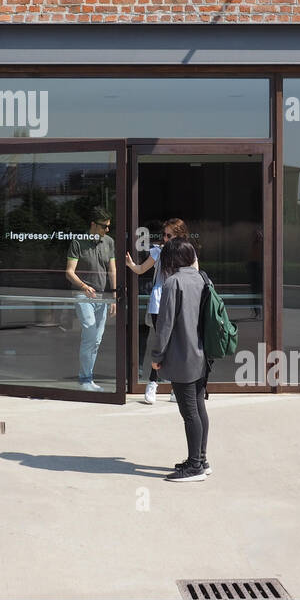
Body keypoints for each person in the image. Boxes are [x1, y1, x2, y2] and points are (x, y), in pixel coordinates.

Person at [149, 237, 210, 481]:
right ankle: (201, 459)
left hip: (182, 356)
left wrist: (157, 356)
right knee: (199, 407)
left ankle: (194, 467)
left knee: (189, 413)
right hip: (201, 353)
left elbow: (164, 325)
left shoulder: (174, 282)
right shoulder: (203, 278)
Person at [126, 217, 189, 404]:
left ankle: (174, 387)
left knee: (175, 344)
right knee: (161, 343)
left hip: (178, 301)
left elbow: (194, 275)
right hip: (159, 301)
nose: (165, 238)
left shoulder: (187, 253)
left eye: (169, 235)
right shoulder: (158, 251)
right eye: (164, 234)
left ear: (179, 236)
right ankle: (152, 383)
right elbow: (141, 269)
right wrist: (130, 265)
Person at [65, 206, 116, 392]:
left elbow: (112, 270)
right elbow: (69, 272)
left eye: (109, 226)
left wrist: (115, 294)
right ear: (93, 225)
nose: (107, 230)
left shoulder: (109, 242)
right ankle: (85, 379)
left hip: (102, 295)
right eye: (104, 226)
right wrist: (84, 286)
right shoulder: (78, 242)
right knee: (90, 333)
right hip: (83, 294)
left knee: (96, 339)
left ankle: (87, 377)